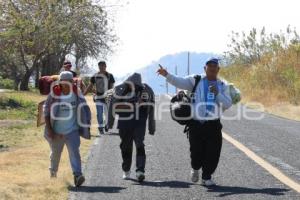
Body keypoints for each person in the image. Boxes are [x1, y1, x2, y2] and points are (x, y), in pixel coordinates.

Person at [157, 58, 232, 186]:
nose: (212, 69)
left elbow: (227, 103)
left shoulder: (223, 85)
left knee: (213, 153)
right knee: (196, 152)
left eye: (215, 67)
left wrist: (217, 94)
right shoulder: (196, 80)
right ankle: (195, 168)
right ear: (205, 68)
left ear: (218, 69)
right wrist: (167, 75)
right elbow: (180, 82)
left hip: (213, 124)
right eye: (209, 66)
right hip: (196, 124)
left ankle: (207, 177)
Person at [44, 71, 91, 187]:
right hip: (56, 131)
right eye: (64, 82)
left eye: (69, 82)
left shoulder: (77, 92)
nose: (67, 84)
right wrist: (50, 130)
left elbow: (85, 108)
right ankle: (53, 175)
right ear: (60, 82)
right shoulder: (54, 94)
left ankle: (78, 175)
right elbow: (46, 112)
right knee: (55, 155)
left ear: (72, 82)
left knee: (75, 153)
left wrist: (86, 122)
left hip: (72, 130)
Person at [109, 73, 155, 182]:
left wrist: (151, 127)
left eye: (136, 85)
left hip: (140, 123)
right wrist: (109, 123)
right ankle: (126, 170)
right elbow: (113, 107)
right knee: (125, 147)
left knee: (140, 144)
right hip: (124, 123)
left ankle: (140, 171)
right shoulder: (120, 90)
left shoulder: (146, 91)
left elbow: (151, 109)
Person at [84, 61, 115, 135]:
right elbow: (90, 86)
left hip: (107, 97)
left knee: (107, 113)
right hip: (98, 97)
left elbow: (112, 87)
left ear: (105, 66)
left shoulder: (110, 76)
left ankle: (106, 125)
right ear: (98, 67)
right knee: (99, 113)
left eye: (103, 66)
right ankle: (100, 128)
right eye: (100, 66)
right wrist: (83, 94)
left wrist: (110, 95)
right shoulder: (95, 76)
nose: (101, 68)